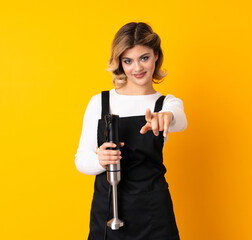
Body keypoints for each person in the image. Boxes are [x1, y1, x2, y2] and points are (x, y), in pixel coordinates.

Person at [75, 22, 187, 240]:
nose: (137, 68)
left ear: (156, 55)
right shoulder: (100, 102)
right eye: (128, 61)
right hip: (108, 209)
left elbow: (180, 119)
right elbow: (81, 159)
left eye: (144, 58)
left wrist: (165, 116)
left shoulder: (166, 104)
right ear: (120, 63)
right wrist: (100, 160)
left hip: (154, 213)